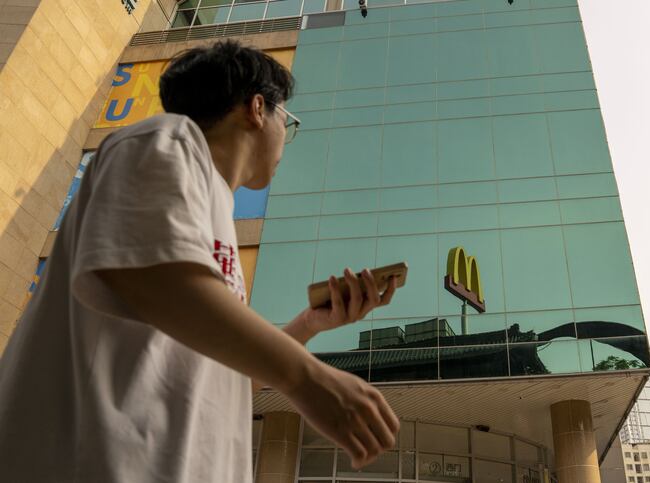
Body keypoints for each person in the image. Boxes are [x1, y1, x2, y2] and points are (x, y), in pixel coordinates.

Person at [0, 40, 400, 482]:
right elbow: (156, 283)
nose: (286, 137)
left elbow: (217, 383)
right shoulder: (163, 141)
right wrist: (307, 379)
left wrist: (306, 326)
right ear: (257, 107)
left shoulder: (213, 217)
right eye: (287, 120)